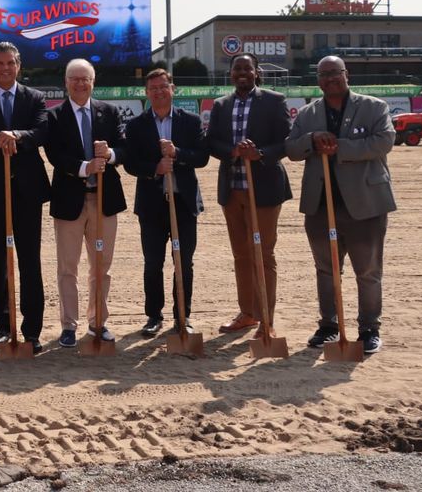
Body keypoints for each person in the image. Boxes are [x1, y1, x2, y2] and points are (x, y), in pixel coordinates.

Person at [285, 56, 395, 354]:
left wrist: (339, 147)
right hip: (321, 205)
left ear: (347, 75)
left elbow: (384, 141)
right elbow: (292, 148)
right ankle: (329, 325)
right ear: (317, 80)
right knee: (326, 269)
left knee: (368, 270)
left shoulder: (374, 107)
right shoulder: (308, 113)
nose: (330, 79)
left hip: (365, 204)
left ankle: (369, 328)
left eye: (335, 73)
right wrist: (312, 139)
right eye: (323, 75)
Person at [0, 41, 51, 352]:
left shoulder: (35, 98)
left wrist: (17, 135)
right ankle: (4, 325)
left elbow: (42, 132)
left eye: (10, 63)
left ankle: (32, 330)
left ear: (18, 66)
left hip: (28, 190)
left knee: (30, 261)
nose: (5, 68)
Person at [207, 53, 293, 338]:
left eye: (247, 68)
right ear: (230, 73)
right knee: (241, 255)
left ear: (257, 72)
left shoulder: (273, 100)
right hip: (233, 190)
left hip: (265, 190)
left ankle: (266, 318)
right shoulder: (221, 105)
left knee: (263, 254)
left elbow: (287, 141)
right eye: (237, 68)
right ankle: (248, 313)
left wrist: (260, 153)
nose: (242, 72)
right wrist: (232, 152)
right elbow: (212, 143)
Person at [45, 58, 127, 347]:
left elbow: (123, 147)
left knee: (101, 266)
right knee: (68, 267)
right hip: (69, 201)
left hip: (105, 201)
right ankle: (69, 325)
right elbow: (55, 155)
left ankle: (98, 322)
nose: (80, 83)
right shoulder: (54, 117)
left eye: (86, 79)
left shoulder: (110, 112)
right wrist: (85, 167)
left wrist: (110, 155)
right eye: (75, 79)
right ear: (66, 83)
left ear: (93, 82)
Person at [122, 68, 208, 337]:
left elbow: (202, 157)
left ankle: (183, 315)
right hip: (151, 204)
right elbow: (131, 163)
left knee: (184, 262)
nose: (158, 92)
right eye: (153, 88)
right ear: (147, 93)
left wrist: (178, 153)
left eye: (163, 86)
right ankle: (153, 315)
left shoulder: (191, 121)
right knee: (153, 262)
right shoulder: (136, 125)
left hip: (183, 203)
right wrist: (154, 168)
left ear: (173, 88)